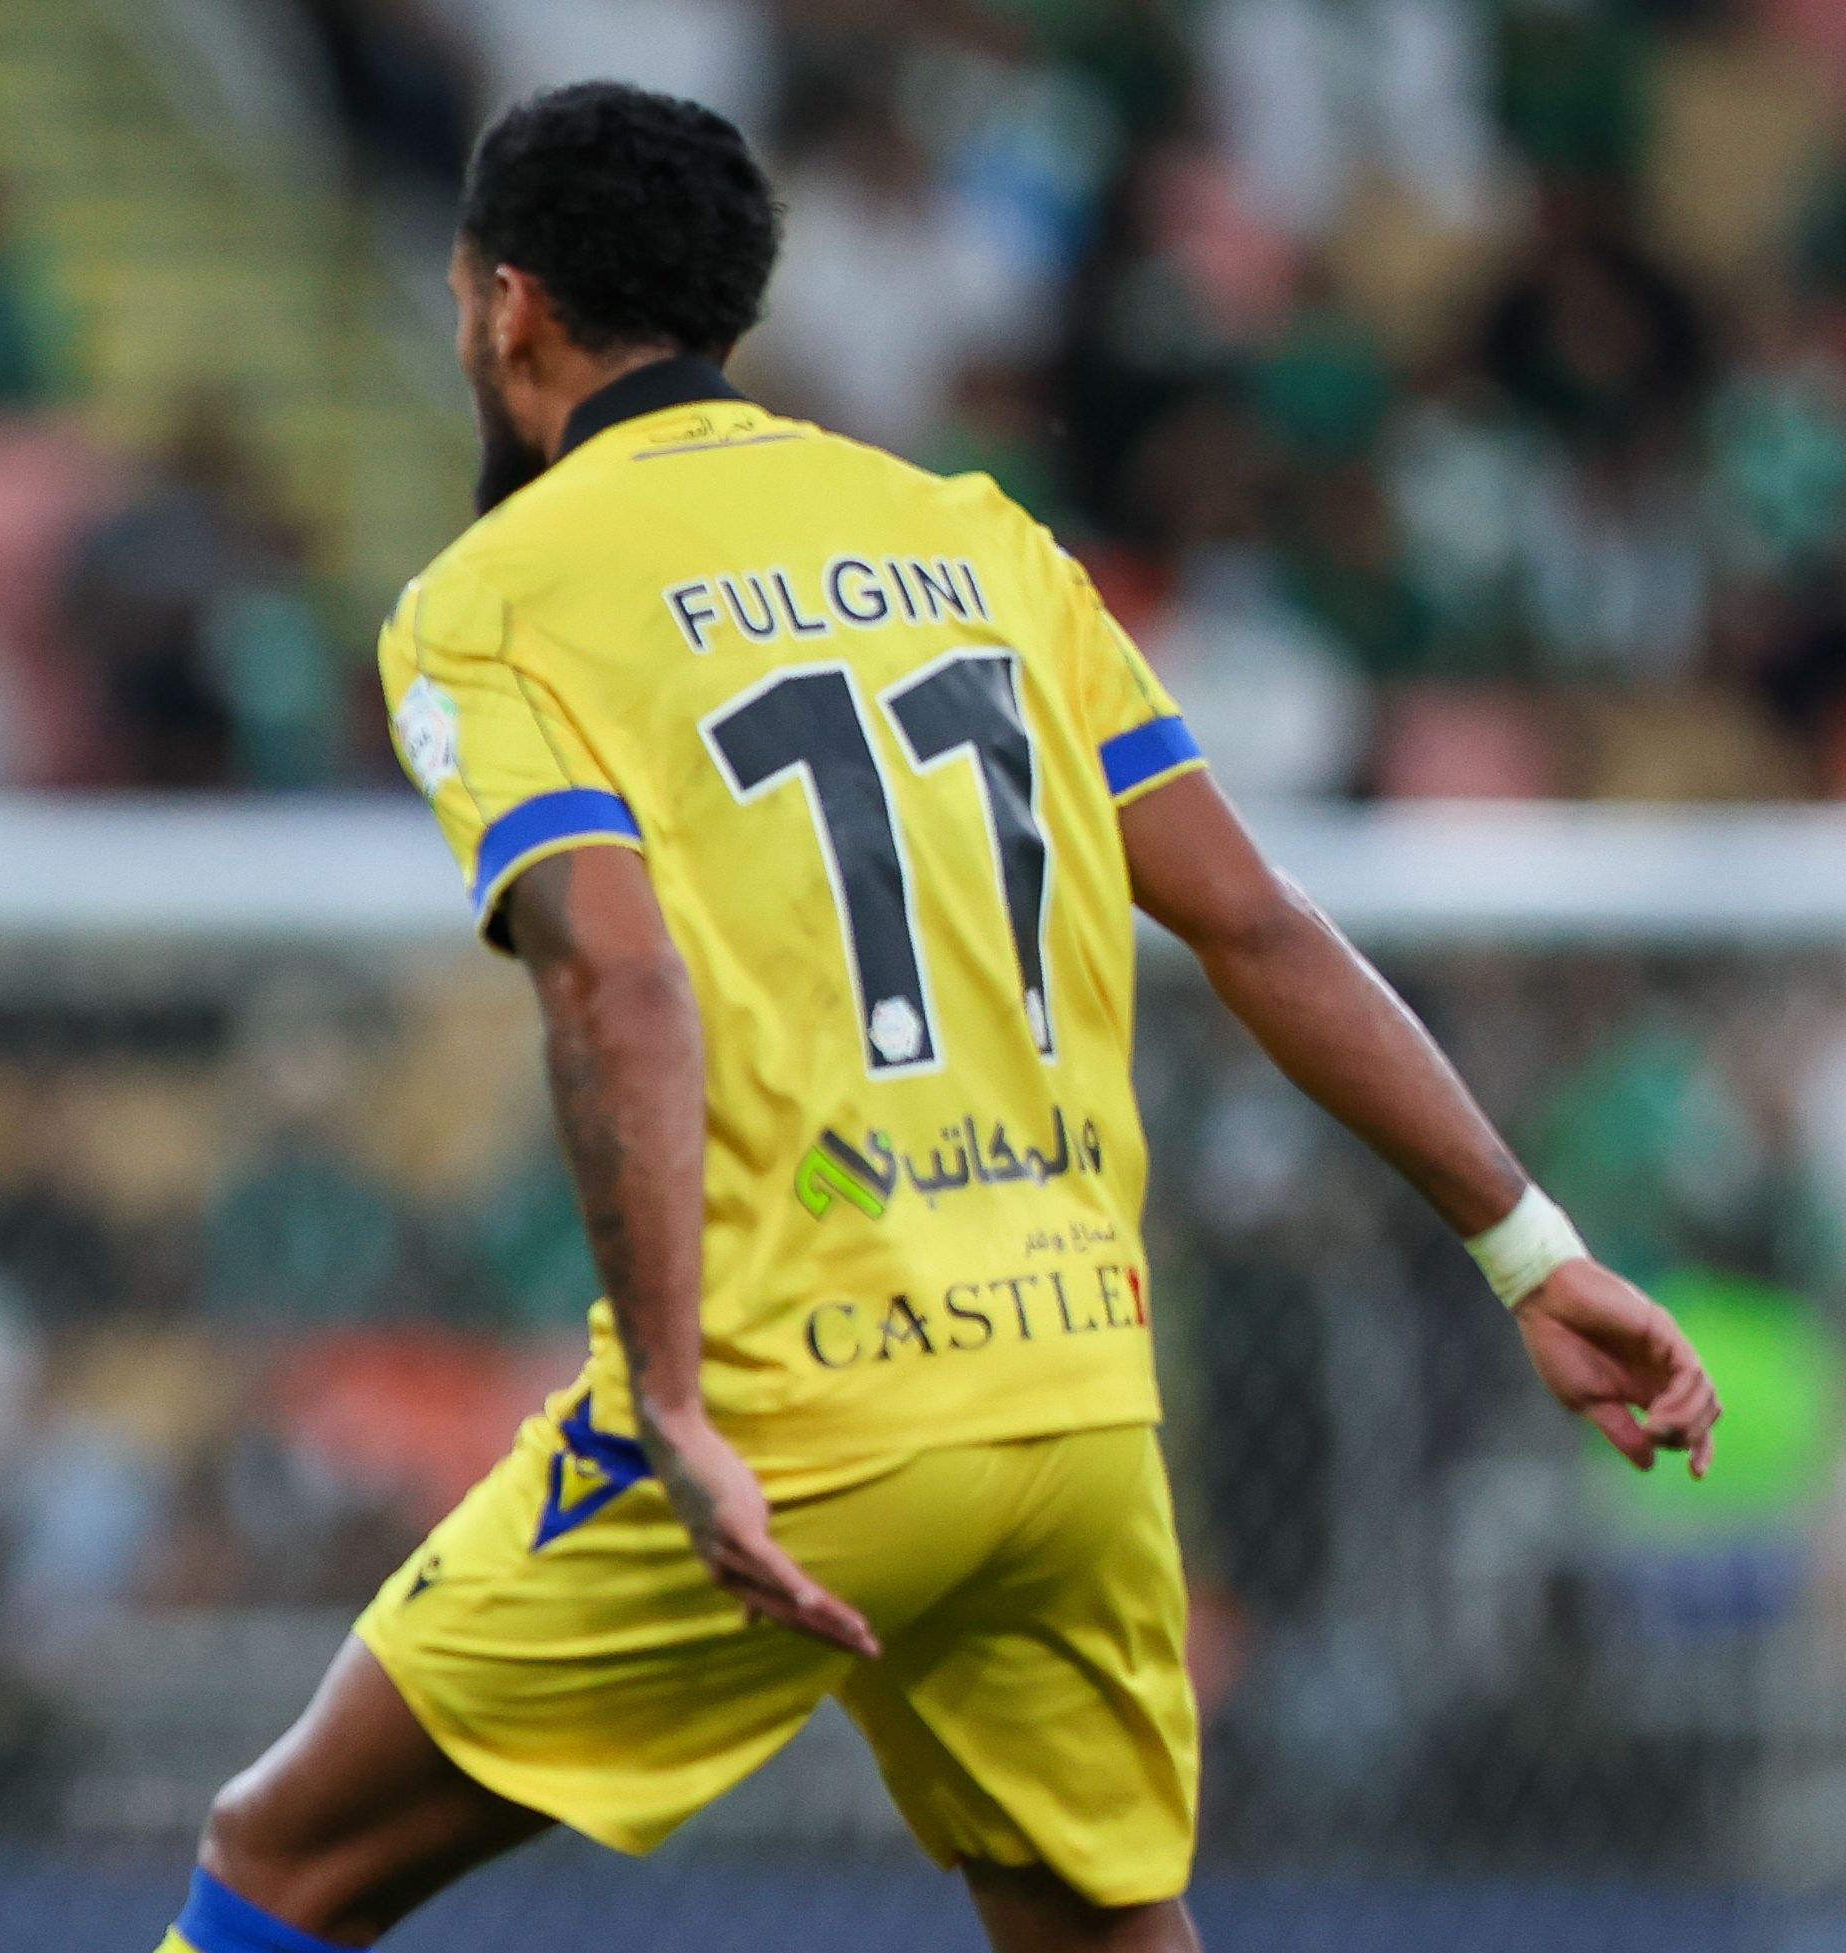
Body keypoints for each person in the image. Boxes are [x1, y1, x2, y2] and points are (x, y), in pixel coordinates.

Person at [152, 85, 1723, 1953]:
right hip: (1070, 1392)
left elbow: (616, 977)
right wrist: (1529, 1249)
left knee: (282, 1860)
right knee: (1098, 1930)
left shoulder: (496, 598)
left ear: (506, 306)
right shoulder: (976, 538)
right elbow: (1256, 919)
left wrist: (668, 1396)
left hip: (797, 1394)